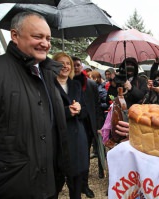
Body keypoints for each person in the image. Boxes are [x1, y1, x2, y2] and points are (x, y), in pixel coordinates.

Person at [0, 12, 70, 198]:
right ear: (15, 35)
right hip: (13, 187)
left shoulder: (47, 74)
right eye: (37, 36)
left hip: (49, 183)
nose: (45, 43)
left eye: (48, 38)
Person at [52, 52, 88, 199]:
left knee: (76, 183)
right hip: (57, 140)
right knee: (54, 183)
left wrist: (79, 110)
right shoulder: (48, 86)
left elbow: (85, 111)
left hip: (77, 138)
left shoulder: (76, 85)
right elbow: (44, 114)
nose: (65, 66)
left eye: (68, 63)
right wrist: (67, 112)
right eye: (61, 63)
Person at [72, 56, 104, 198]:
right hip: (72, 125)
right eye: (74, 65)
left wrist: (98, 125)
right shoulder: (65, 83)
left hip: (87, 125)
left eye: (78, 65)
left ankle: (84, 185)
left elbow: (97, 106)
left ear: (82, 66)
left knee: (85, 156)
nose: (76, 67)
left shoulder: (91, 84)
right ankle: (73, 184)